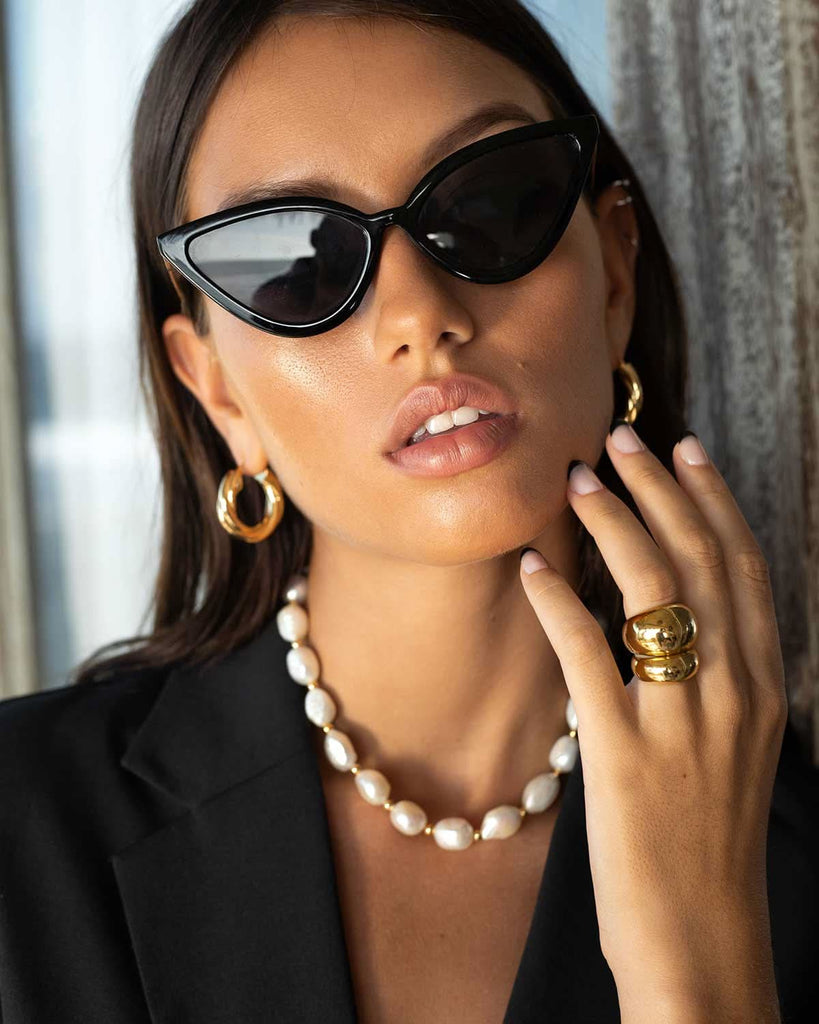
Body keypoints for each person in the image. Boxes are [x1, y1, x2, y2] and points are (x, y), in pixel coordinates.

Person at [1, 1, 817, 1021]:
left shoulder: (791, 865)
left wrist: (703, 964)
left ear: (614, 274)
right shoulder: (21, 833)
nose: (419, 315)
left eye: (490, 203)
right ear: (215, 389)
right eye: (295, 264)